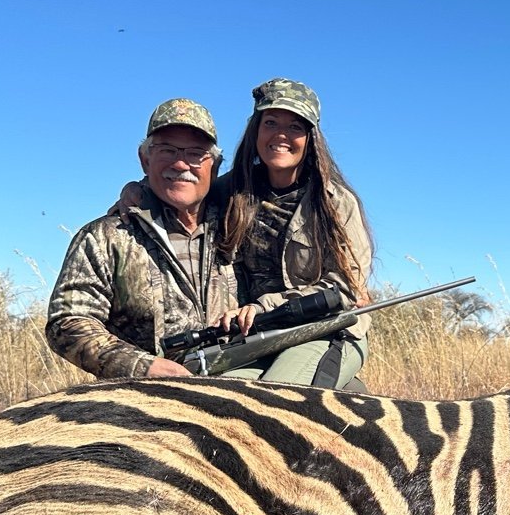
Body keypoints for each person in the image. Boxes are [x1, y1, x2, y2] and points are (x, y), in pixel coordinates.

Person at [46, 98, 240, 379]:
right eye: (167, 150)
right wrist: (141, 366)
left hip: (234, 390)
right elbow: (68, 322)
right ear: (145, 159)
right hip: (141, 402)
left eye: (197, 153)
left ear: (216, 164)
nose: (181, 163)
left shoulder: (236, 229)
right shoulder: (105, 236)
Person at [214, 77, 374, 388]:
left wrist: (264, 306)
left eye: (296, 127)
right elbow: (182, 191)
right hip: (257, 338)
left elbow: (345, 288)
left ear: (311, 138)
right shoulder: (229, 191)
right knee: (217, 396)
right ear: (256, 130)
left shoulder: (336, 203)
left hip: (326, 330)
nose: (281, 135)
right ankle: (351, 397)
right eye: (271, 122)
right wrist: (137, 193)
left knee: (271, 402)